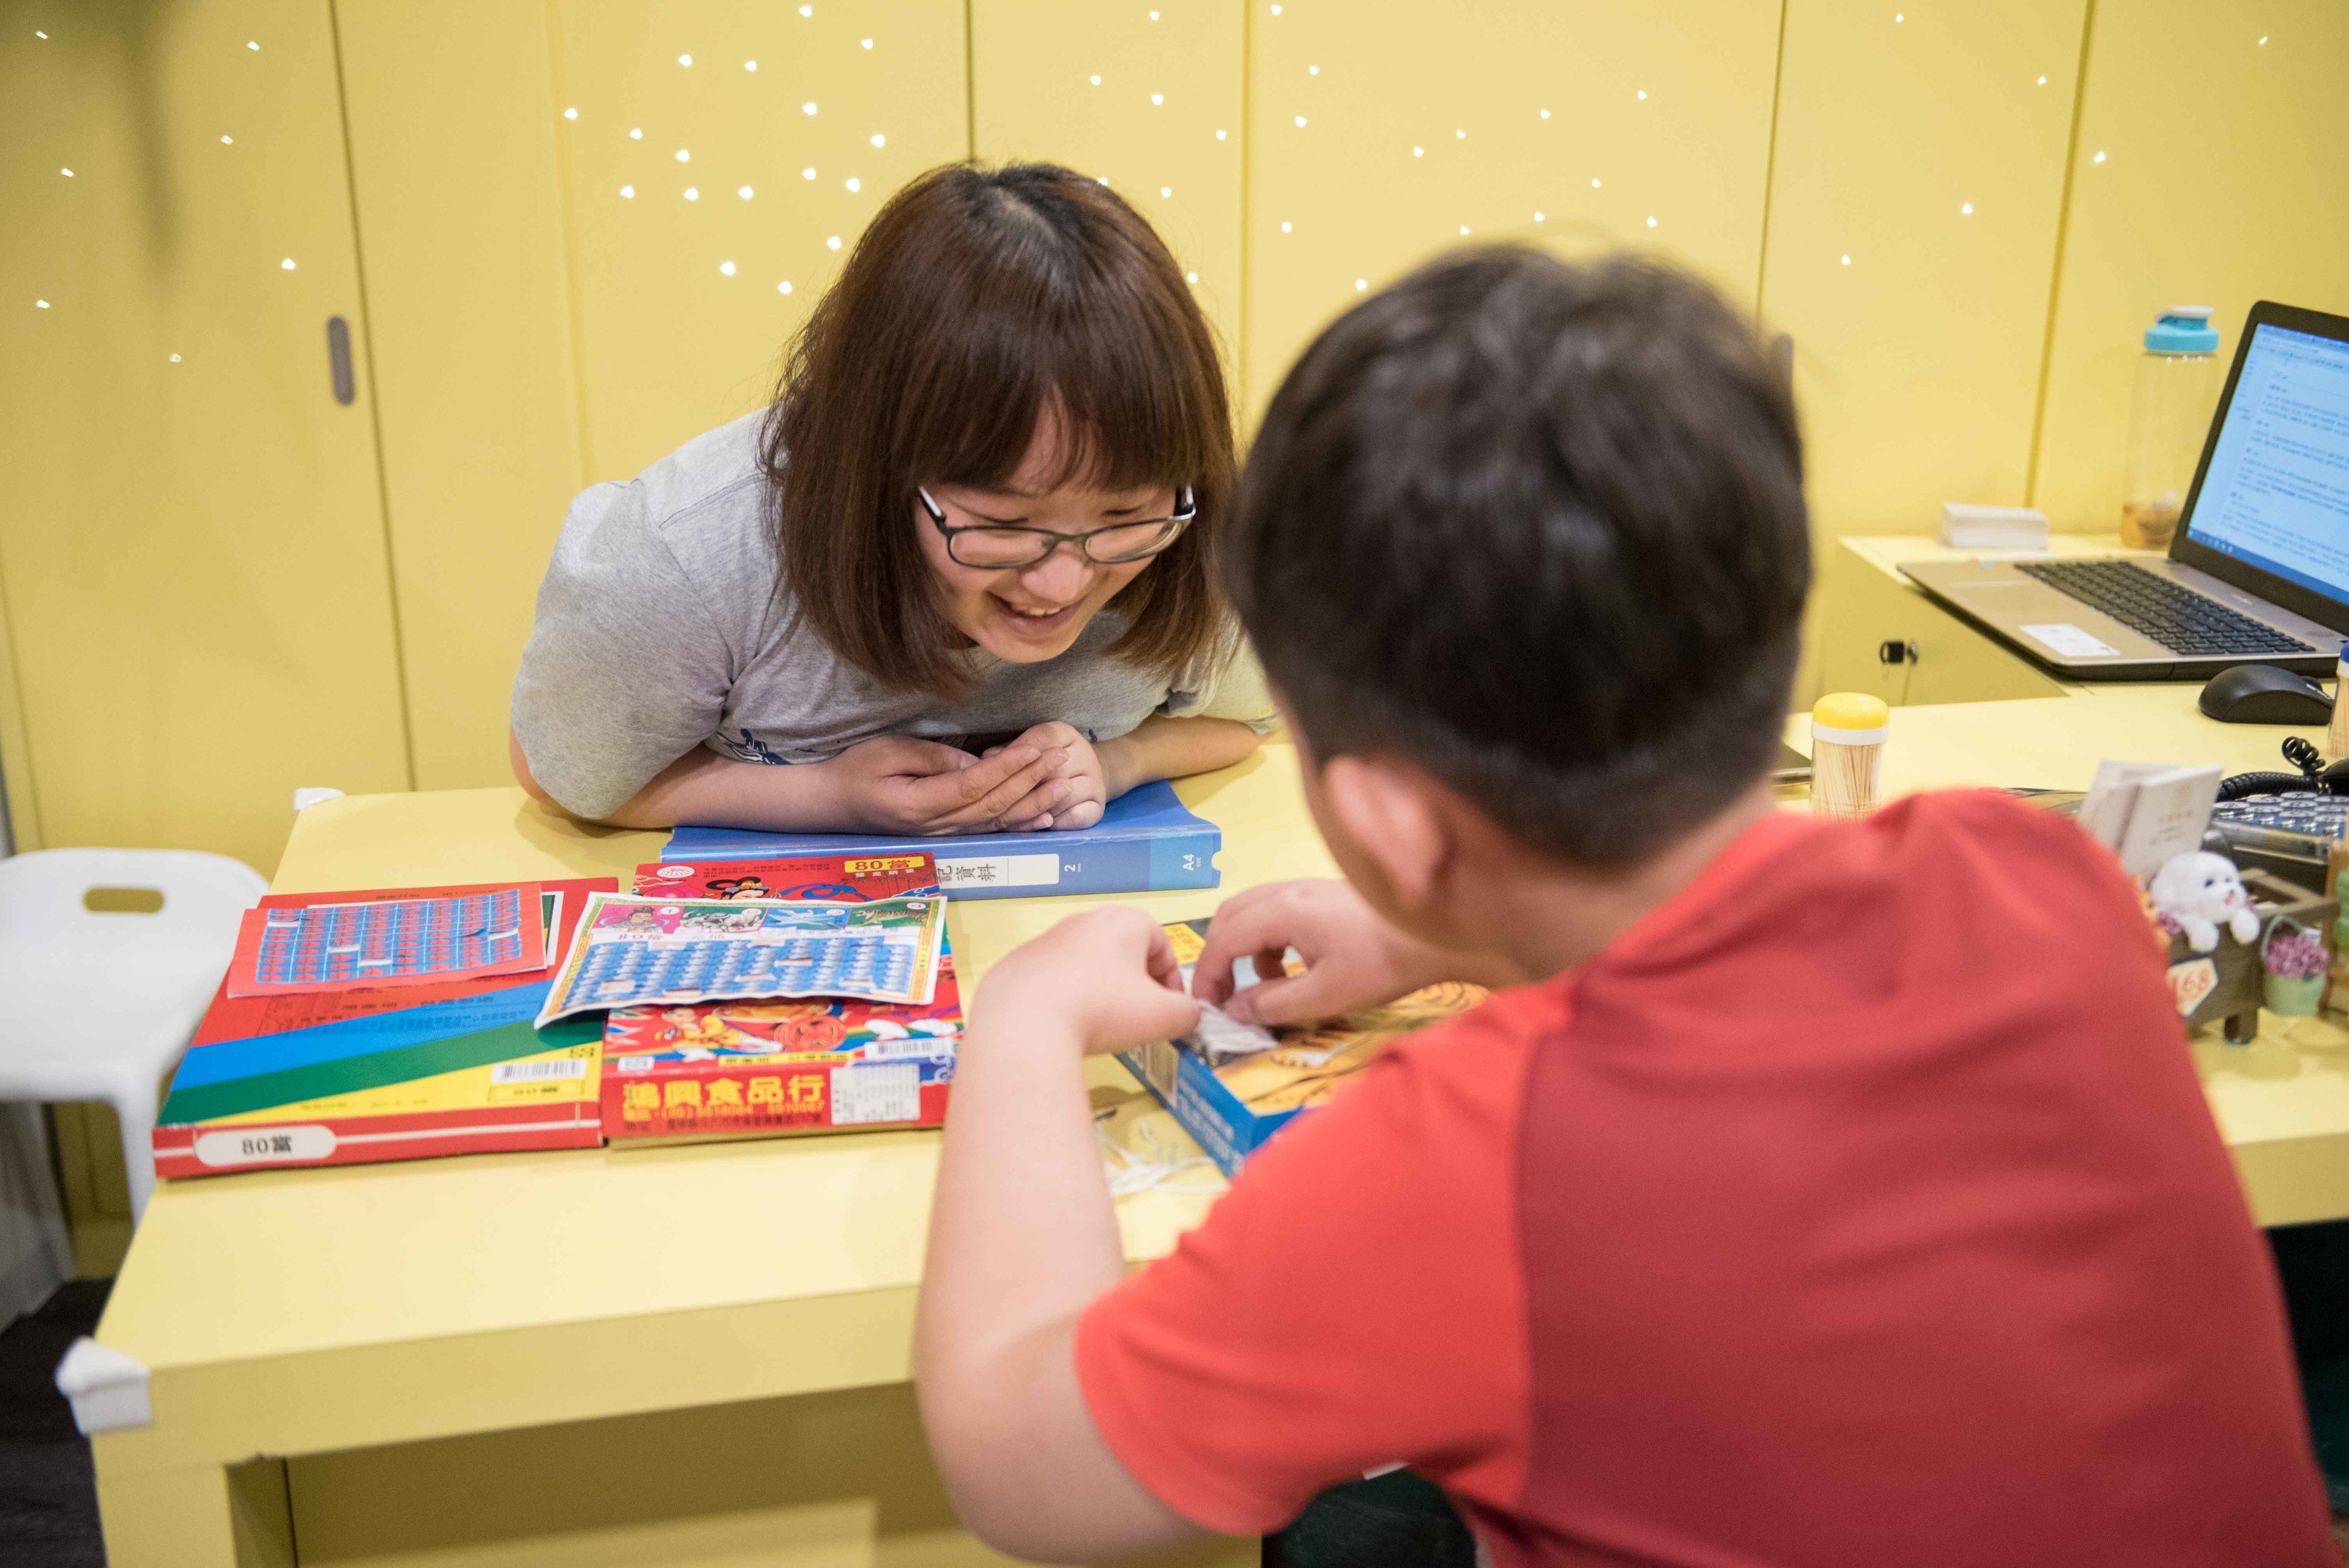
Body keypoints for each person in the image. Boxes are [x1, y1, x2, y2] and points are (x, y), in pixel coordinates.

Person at [914, 249, 2338, 1566]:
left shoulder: (1463, 1165)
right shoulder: (2038, 878)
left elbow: (1023, 1470)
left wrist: (1026, 1018)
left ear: (1391, 824)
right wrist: (1444, 934)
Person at [509, 162, 1270, 834]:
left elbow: (1244, 724)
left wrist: (1120, 761)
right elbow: (562, 775)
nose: (1062, 586)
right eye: (1004, 524)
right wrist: (819, 795)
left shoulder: (1186, 532)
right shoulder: (692, 556)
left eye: (1120, 517)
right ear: (876, 461)